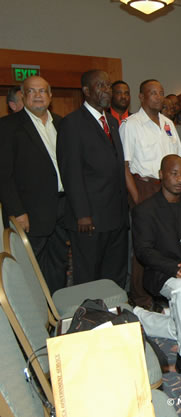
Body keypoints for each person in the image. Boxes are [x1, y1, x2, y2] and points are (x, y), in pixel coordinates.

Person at [132, 155, 181, 374]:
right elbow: (144, 252)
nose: (180, 179)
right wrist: (177, 269)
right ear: (161, 175)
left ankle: (142, 317)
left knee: (180, 324)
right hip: (160, 273)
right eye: (174, 173)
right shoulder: (145, 210)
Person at [57, 69, 128, 288]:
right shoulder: (72, 123)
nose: (107, 90)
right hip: (90, 219)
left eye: (108, 85)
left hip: (115, 215)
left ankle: (114, 315)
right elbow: (71, 172)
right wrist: (82, 214)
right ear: (86, 91)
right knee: (89, 274)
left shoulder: (112, 122)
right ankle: (90, 317)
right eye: (101, 86)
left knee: (115, 272)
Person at [120, 78, 181, 309]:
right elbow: (125, 166)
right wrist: (137, 200)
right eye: (153, 93)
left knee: (168, 244)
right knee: (144, 248)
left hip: (168, 188)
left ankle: (162, 293)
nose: (158, 97)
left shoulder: (168, 124)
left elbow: (180, 159)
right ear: (141, 96)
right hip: (144, 188)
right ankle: (140, 297)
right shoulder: (131, 124)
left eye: (161, 93)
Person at [0, 75, 68, 293]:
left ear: (50, 96)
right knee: (29, 270)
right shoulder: (8, 126)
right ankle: (31, 322)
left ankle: (57, 315)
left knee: (59, 266)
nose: (37, 96)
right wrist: (17, 211)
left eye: (42, 91)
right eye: (31, 91)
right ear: (24, 95)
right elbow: (4, 174)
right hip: (28, 213)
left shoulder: (61, 122)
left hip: (62, 209)